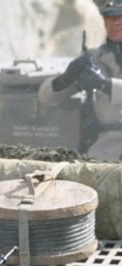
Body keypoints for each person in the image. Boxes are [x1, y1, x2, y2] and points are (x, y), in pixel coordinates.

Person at [38, 0, 122, 159]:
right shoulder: (95, 58)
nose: (116, 22)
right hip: (106, 149)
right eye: (110, 17)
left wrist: (105, 85)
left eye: (121, 17)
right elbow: (45, 97)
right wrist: (66, 78)